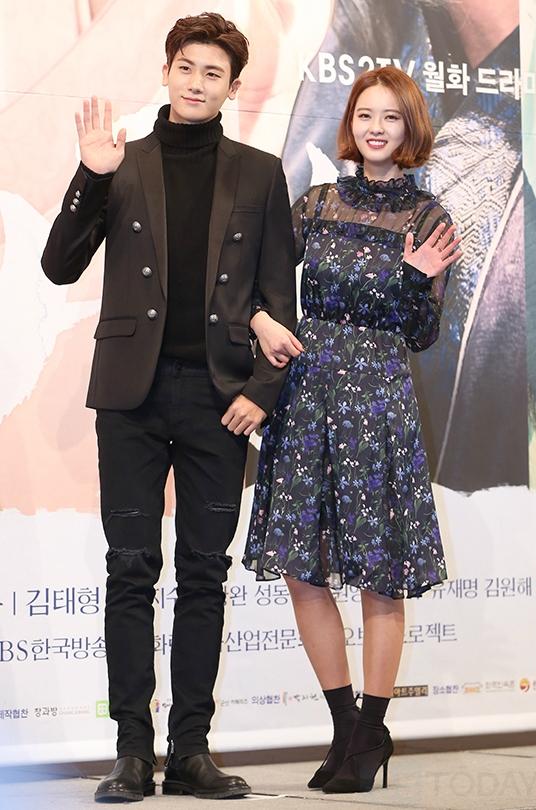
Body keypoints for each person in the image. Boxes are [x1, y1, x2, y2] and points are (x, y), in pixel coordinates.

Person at [41, 12, 296, 803]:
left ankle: (190, 751)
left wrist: (260, 393)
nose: (196, 82)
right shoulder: (122, 162)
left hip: (220, 401)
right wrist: (90, 176)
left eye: (212, 73)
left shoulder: (260, 174)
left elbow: (278, 300)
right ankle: (130, 751)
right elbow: (58, 266)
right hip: (132, 398)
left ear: (231, 87)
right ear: (166, 72)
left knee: (204, 574)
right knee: (129, 570)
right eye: (186, 67)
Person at [245, 66, 462, 794]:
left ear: (410, 129)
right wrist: (261, 320)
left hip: (378, 402)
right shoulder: (315, 204)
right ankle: (345, 728)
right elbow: (264, 285)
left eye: (391, 117)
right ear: (350, 123)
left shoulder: (429, 219)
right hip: (308, 394)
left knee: (378, 572)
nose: (376, 128)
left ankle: (372, 729)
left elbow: (423, 333)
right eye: (366, 114)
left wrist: (414, 277)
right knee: (302, 567)